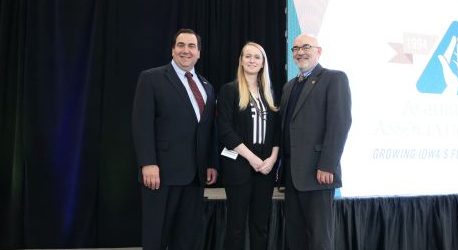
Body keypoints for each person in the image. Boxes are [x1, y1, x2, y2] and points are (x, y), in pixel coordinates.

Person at [132, 28, 217, 250]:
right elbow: (142, 125)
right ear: (172, 50)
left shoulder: (206, 86)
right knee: (156, 236)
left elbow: (207, 130)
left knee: (187, 238)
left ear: (199, 53)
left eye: (191, 46)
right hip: (161, 174)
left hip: (195, 177)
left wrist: (209, 163)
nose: (186, 50)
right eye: (181, 45)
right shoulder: (151, 78)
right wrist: (148, 163)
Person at [280, 34, 352, 250]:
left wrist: (327, 164)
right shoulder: (289, 87)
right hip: (292, 177)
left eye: (306, 47)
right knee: (295, 238)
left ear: (318, 51)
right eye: (295, 48)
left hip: (318, 174)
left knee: (320, 239)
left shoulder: (334, 78)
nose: (300, 52)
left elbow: (340, 123)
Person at [217, 42, 280, 250]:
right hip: (239, 166)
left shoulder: (269, 93)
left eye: (257, 57)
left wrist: (272, 159)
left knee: (260, 225)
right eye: (248, 56)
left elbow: (277, 132)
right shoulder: (229, 90)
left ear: (263, 63)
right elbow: (225, 131)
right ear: (241, 61)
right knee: (236, 227)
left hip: (265, 169)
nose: (252, 60)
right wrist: (252, 158)